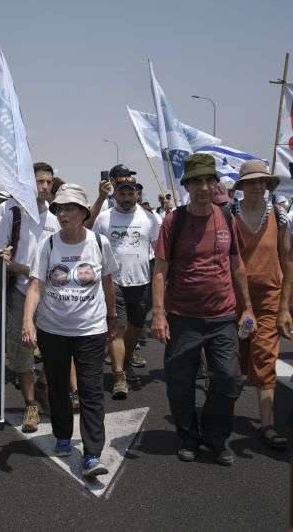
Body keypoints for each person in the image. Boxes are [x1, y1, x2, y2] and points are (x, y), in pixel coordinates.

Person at [151, 153, 252, 466]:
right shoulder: (174, 220)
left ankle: (215, 437)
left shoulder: (227, 218)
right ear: (187, 185)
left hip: (223, 316)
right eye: (197, 181)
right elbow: (160, 270)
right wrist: (159, 314)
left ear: (216, 184)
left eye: (209, 180)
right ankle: (189, 438)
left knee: (229, 379)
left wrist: (247, 308)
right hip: (183, 317)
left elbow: (237, 264)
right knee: (180, 384)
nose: (204, 187)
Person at [22, 183, 117, 479]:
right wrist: (28, 322)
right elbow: (36, 285)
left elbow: (108, 282)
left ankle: (92, 454)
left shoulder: (99, 242)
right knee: (59, 386)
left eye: (69, 208)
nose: (62, 214)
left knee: (91, 391)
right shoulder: (48, 245)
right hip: (52, 330)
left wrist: (112, 315)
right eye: (59, 209)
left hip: (91, 330)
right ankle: (63, 434)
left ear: (83, 212)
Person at [0, 161, 59, 432]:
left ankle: (43, 385)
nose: (45, 186)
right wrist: (23, 269)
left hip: (51, 295)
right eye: (40, 181)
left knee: (55, 348)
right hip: (20, 293)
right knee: (24, 352)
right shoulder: (13, 213)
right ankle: (30, 404)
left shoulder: (55, 218)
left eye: (49, 182)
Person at [232, 161, 288, 449]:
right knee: (233, 361)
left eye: (261, 181)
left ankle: (267, 424)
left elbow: (287, 261)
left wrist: (285, 307)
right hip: (233, 300)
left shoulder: (279, 216)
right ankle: (222, 416)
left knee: (265, 357)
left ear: (268, 185)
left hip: (268, 298)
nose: (256, 186)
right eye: (251, 182)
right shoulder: (228, 215)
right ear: (241, 186)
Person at [92, 169, 159, 400]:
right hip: (114, 283)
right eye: (122, 194)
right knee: (116, 328)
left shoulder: (149, 217)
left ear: (137, 195)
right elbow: (91, 241)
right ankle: (119, 376)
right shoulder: (104, 218)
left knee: (135, 327)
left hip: (142, 282)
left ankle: (126, 360)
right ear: (116, 195)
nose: (127, 198)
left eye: (131, 194)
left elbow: (159, 250)